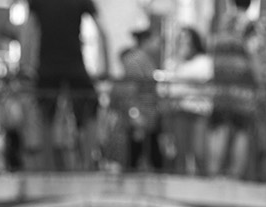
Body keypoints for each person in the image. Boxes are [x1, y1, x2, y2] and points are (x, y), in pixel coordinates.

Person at [21, 0, 108, 170]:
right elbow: (103, 32)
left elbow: (27, 32)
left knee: (46, 115)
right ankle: (88, 164)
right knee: (90, 110)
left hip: (46, 65)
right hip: (74, 64)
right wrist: (107, 67)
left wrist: (24, 66)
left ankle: (47, 167)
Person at [206, 0, 258, 179]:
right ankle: (234, 175)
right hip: (242, 87)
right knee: (240, 129)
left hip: (220, 86)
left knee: (218, 127)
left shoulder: (220, 22)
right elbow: (254, 54)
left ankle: (214, 173)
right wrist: (259, 82)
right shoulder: (249, 25)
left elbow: (210, 50)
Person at [163, 27, 211, 175]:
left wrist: (181, 78)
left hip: (199, 111)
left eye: (187, 40)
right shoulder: (173, 62)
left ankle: (202, 182)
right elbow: (170, 88)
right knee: (180, 150)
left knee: (199, 151)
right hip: (180, 110)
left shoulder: (204, 61)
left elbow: (202, 76)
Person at [116, 22, 163, 172]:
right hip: (140, 116)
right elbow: (130, 91)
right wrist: (134, 113)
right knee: (136, 155)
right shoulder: (134, 60)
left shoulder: (147, 59)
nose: (158, 44)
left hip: (149, 115)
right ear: (146, 41)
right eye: (155, 40)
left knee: (148, 153)